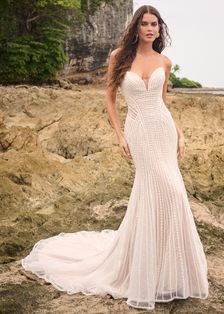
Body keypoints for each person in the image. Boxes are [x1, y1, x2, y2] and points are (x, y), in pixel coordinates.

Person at [21, 4, 209, 311]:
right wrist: (120, 135)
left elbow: (163, 103)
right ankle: (144, 269)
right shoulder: (118, 56)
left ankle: (164, 271)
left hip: (163, 131)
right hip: (138, 131)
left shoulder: (165, 61)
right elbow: (109, 97)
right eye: (145, 23)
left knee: (170, 195)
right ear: (136, 27)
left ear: (159, 29)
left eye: (155, 25)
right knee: (164, 191)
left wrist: (181, 133)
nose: (150, 28)